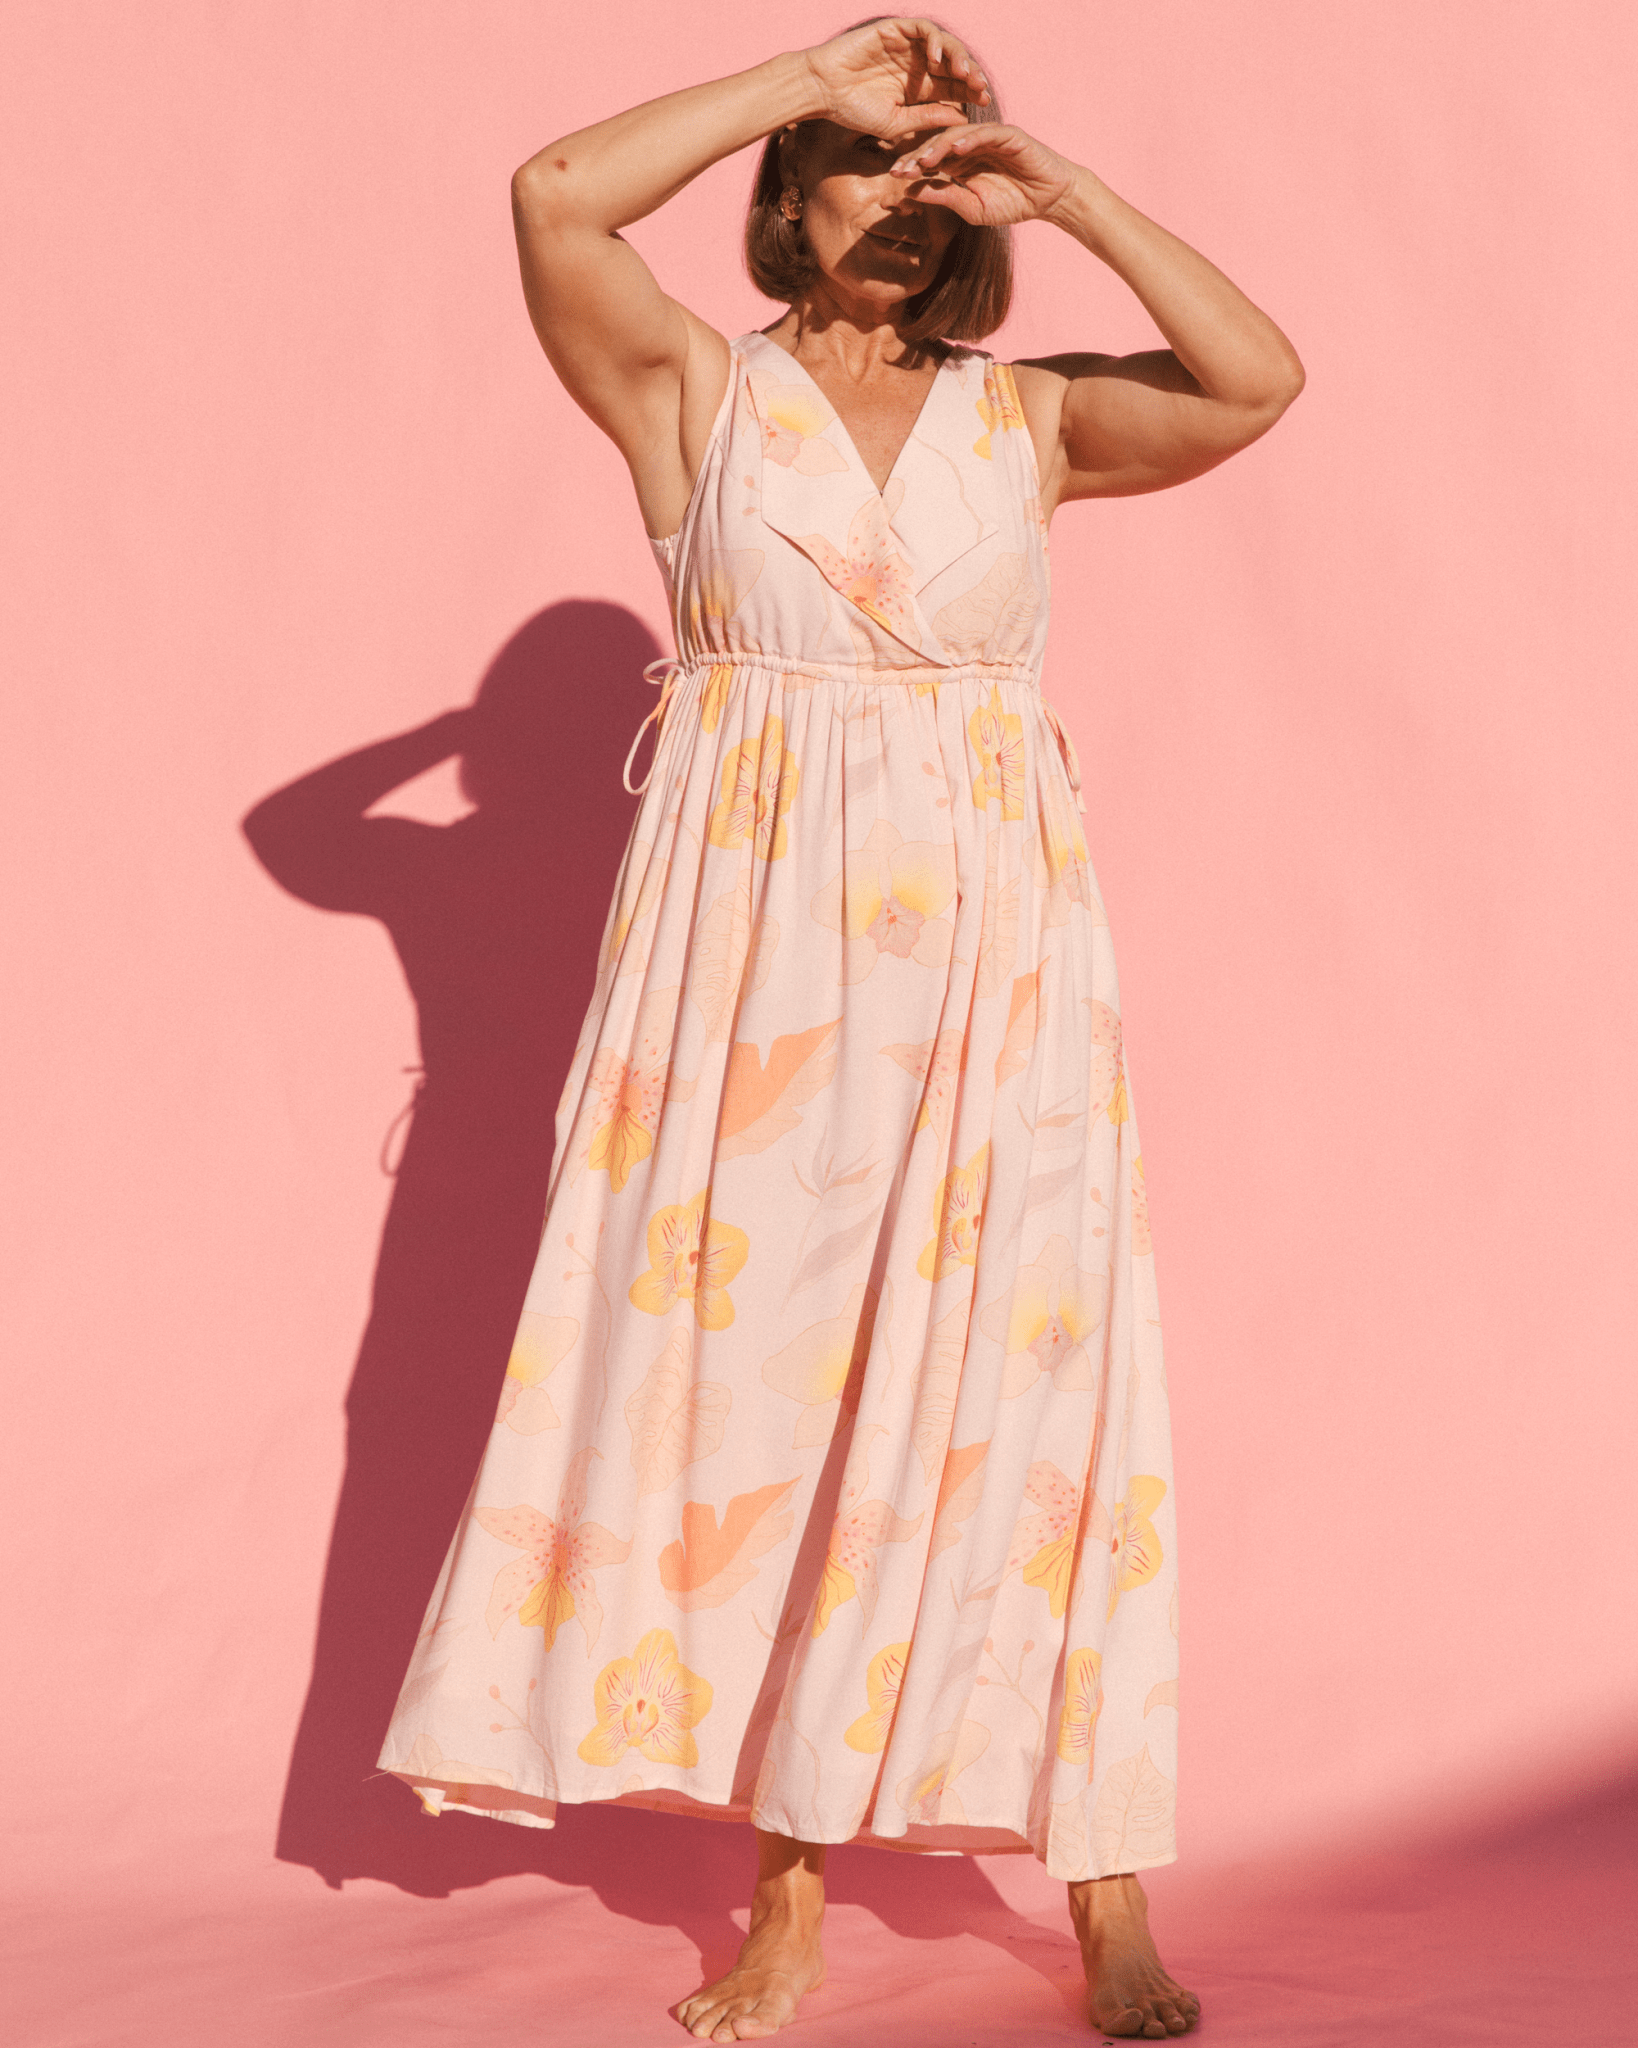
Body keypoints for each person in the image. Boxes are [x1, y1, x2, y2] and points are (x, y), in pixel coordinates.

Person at [376, 16, 1303, 2040]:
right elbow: (553, 192)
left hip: (1001, 971)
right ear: (783, 204)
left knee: (1033, 1400)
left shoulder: (1034, 422)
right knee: (772, 1405)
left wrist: (1055, 184)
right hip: (753, 982)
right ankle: (784, 1883)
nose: (896, 206)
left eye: (928, 184)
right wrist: (823, 76)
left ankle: (1106, 1876)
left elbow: (1259, 379)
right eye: (853, 176)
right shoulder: (689, 398)